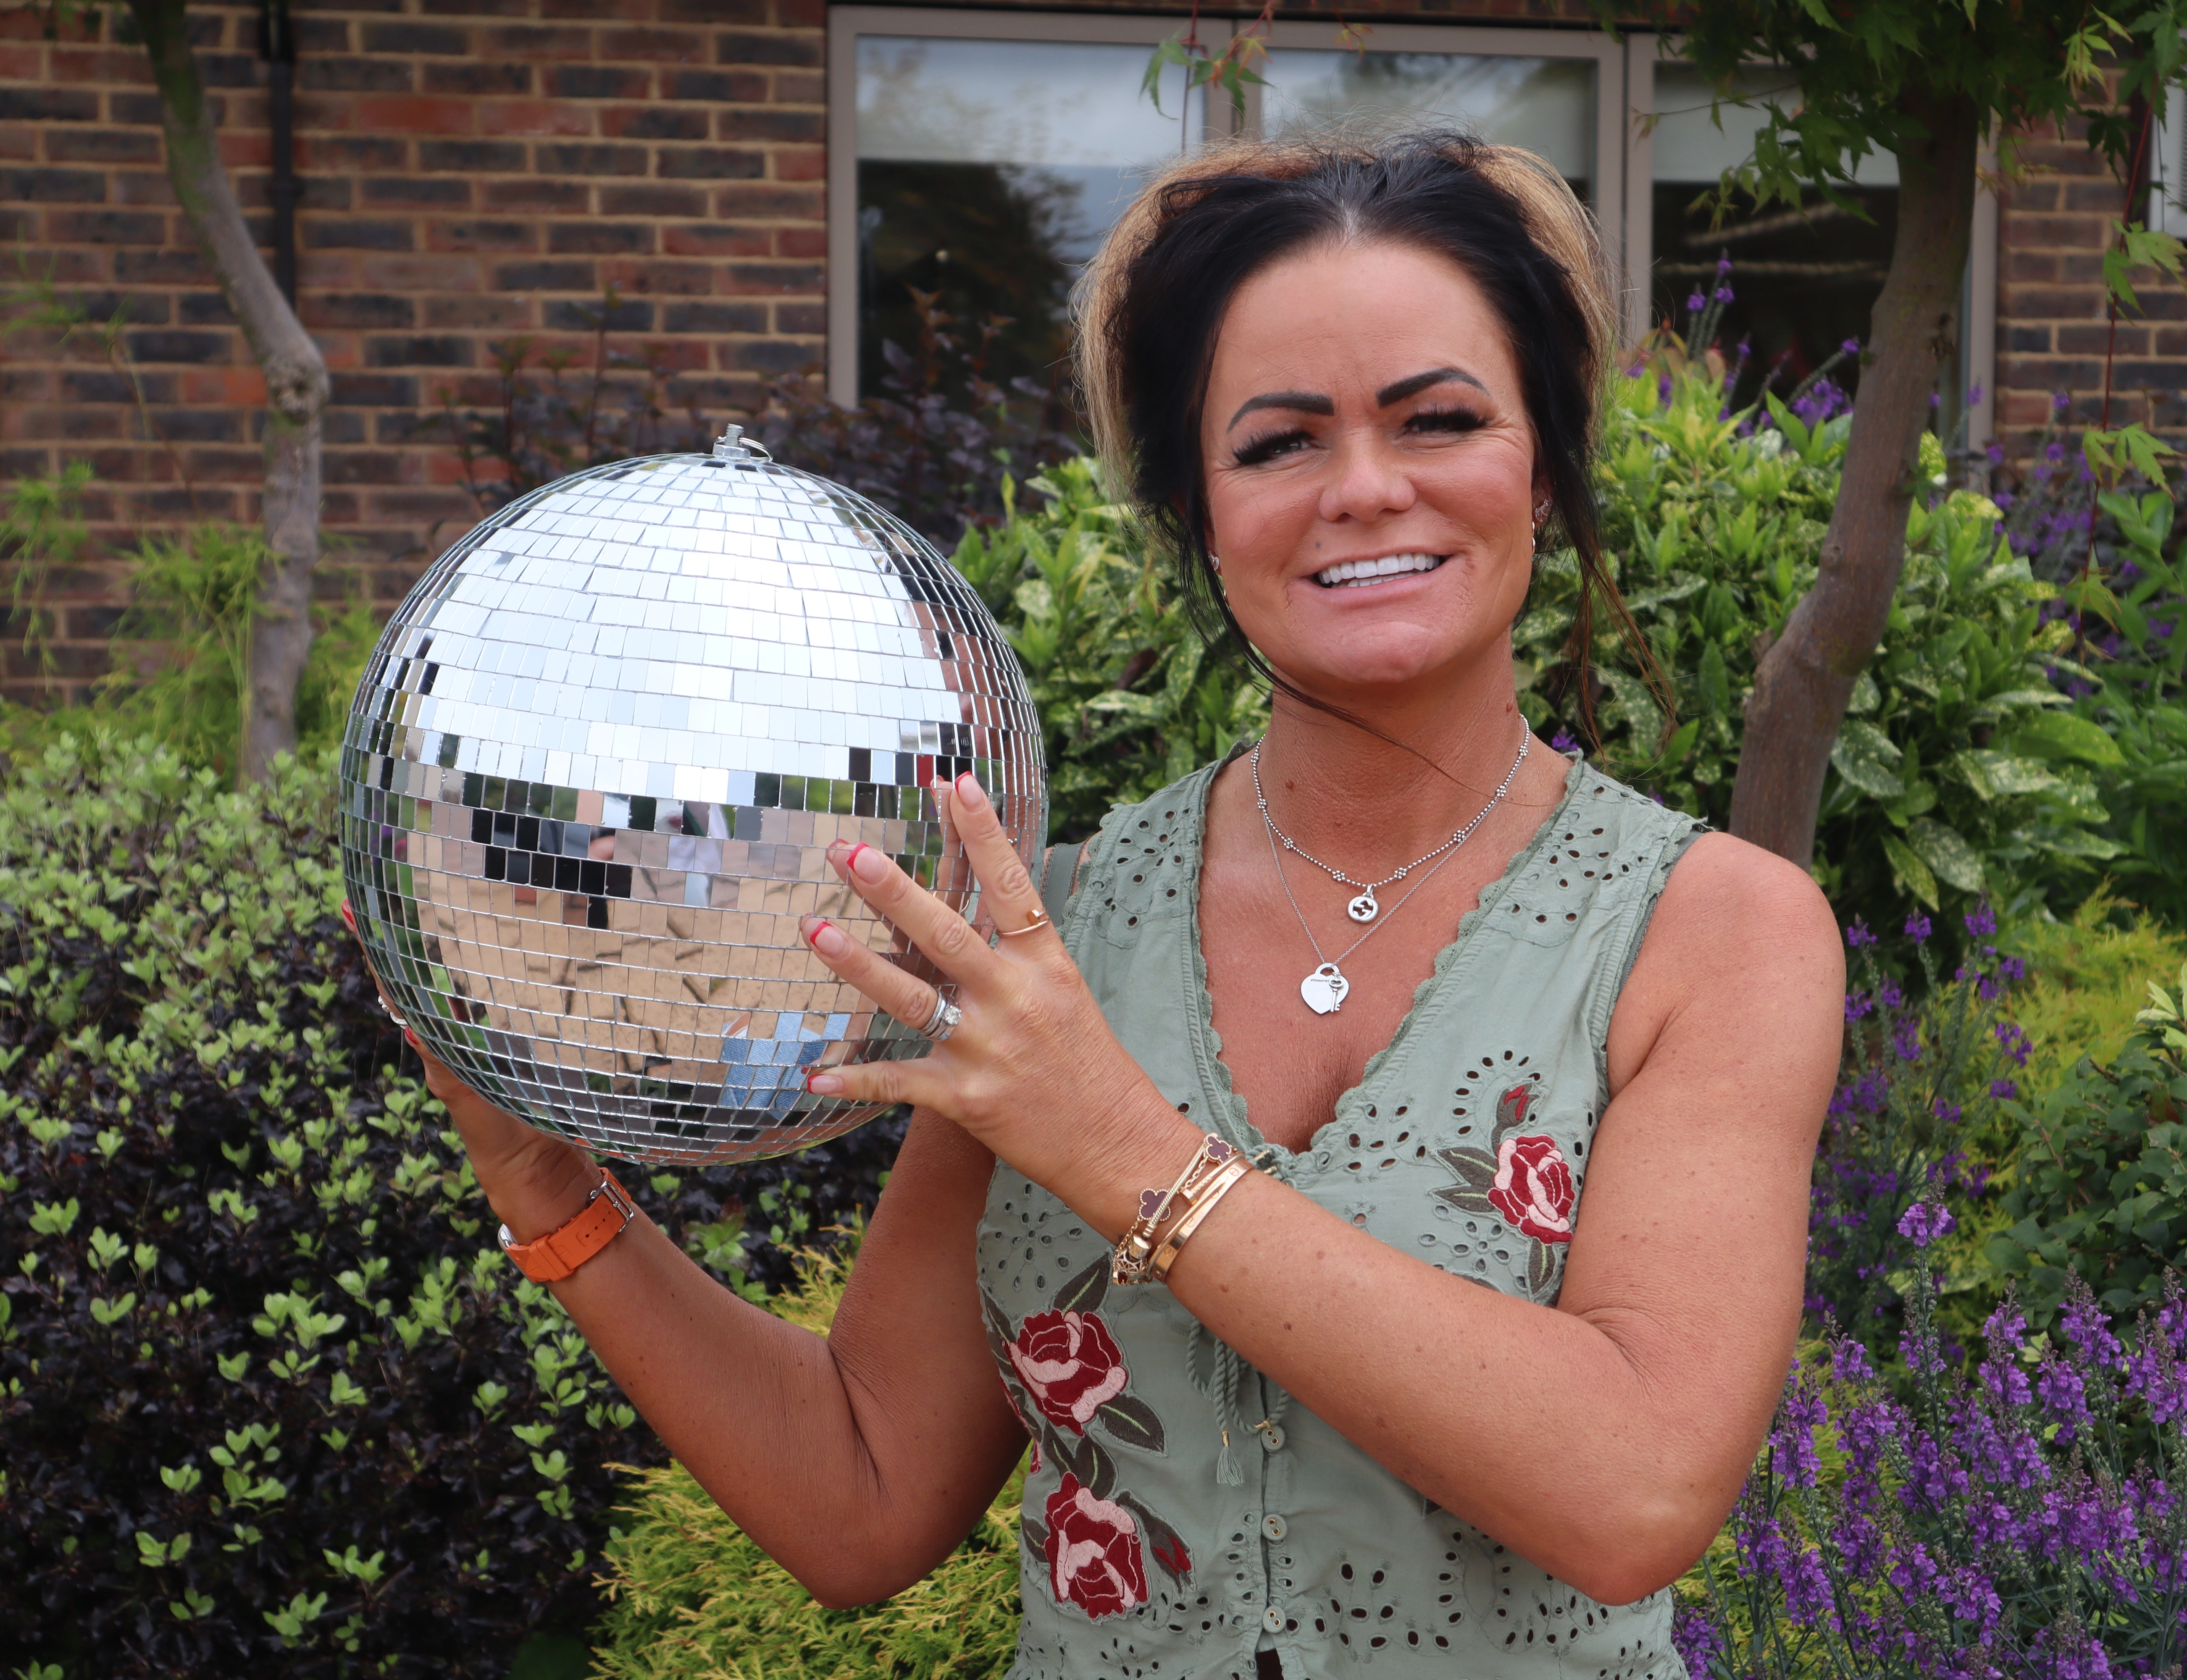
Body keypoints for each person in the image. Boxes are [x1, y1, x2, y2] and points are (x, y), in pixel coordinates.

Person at [395, 129, 1841, 1680]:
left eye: (1440, 419)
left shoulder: (1715, 931)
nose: (1365, 488)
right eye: (1279, 442)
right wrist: (546, 1182)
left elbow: (1634, 1491)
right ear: (1194, 507)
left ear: (1541, 468)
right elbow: (866, 1498)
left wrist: (1114, 1142)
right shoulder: (1049, 928)